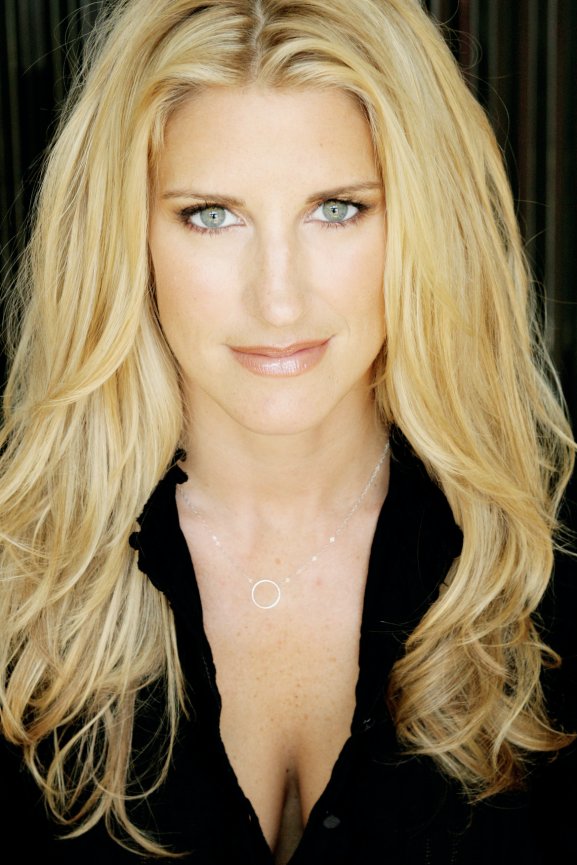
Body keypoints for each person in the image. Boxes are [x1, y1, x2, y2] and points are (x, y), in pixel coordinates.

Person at [0, 0, 575, 862]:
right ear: (126, 237)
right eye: (211, 214)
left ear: (424, 224)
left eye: (336, 208)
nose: (277, 300)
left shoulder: (544, 565)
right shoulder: (19, 582)